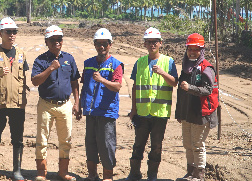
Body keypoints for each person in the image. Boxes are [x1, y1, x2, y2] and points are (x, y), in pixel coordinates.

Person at [126, 27, 179, 181]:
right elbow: (136, 87)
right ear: (145, 44)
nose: (152, 44)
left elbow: (174, 82)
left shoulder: (168, 62)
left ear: (160, 43)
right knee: (138, 145)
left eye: (154, 42)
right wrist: (133, 109)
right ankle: (134, 173)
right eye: (149, 42)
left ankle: (152, 175)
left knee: (156, 147)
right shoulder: (140, 62)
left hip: (160, 113)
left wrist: (163, 72)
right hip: (142, 112)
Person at [0, 17, 30, 181]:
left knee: (17, 138)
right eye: (8, 32)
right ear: (0, 33)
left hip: (17, 103)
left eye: (14, 32)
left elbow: (23, 76)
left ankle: (17, 171)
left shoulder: (21, 54)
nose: (11, 35)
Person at [31, 25, 81, 181]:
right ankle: (41, 173)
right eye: (52, 40)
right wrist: (50, 68)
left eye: (59, 39)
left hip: (65, 105)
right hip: (46, 105)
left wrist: (77, 102)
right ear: (46, 41)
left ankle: (63, 171)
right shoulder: (40, 60)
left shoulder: (69, 59)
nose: (56, 43)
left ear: (62, 41)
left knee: (65, 140)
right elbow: (35, 81)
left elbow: (74, 82)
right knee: (42, 140)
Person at [78, 28, 123, 181]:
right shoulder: (88, 63)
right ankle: (92, 175)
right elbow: (84, 86)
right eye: (98, 43)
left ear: (110, 45)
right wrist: (79, 105)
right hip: (91, 112)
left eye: (105, 44)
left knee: (106, 145)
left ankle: (108, 177)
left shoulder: (116, 64)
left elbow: (117, 86)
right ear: (95, 45)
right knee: (90, 144)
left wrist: (102, 80)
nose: (101, 46)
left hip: (106, 113)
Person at [175, 34, 219, 181]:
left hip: (201, 113)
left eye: (196, 49)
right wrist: (179, 113)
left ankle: (199, 175)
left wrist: (190, 88)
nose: (192, 52)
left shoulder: (206, 68)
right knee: (187, 144)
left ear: (202, 50)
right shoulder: (186, 67)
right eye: (190, 49)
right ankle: (190, 173)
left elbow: (208, 89)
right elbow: (181, 92)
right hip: (187, 112)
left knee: (197, 144)